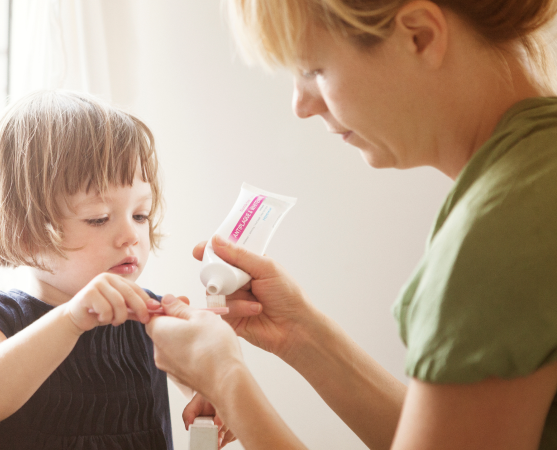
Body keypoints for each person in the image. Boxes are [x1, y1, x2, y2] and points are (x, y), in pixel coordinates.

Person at [145, 1, 557, 449]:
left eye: (313, 69)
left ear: (419, 36)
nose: (301, 105)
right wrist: (301, 335)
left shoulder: (495, 234)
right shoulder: (534, 180)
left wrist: (226, 380)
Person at [0, 90, 176, 449]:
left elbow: (197, 370)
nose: (131, 235)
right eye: (98, 218)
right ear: (25, 235)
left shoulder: (146, 316)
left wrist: (209, 393)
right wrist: (71, 319)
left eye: (140, 214)